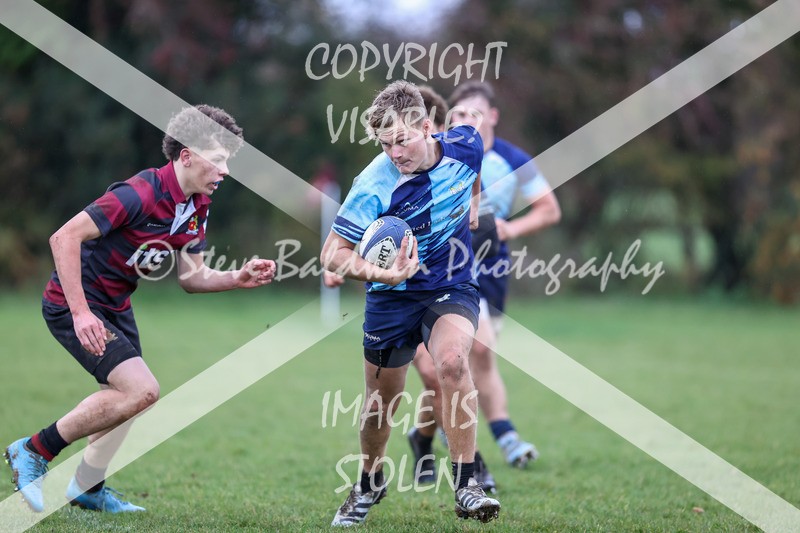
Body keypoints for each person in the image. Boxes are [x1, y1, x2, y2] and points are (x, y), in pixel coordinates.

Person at [3, 105, 277, 513]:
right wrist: (80, 313)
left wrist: (237, 277)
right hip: (73, 302)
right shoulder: (140, 193)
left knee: (132, 398)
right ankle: (33, 450)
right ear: (186, 155)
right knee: (141, 389)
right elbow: (64, 238)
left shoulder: (197, 204)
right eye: (218, 160)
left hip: (116, 306)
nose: (225, 171)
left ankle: (88, 487)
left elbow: (192, 277)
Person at [321, 80, 500, 526]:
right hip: (390, 299)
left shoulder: (464, 144)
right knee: (381, 404)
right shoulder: (374, 182)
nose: (395, 153)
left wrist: (473, 204)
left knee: (454, 363)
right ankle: (369, 480)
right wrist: (384, 273)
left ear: (426, 127)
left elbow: (473, 169)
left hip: (450, 284)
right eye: (385, 144)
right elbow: (332, 254)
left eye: (401, 140)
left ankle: (466, 484)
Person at [408, 81, 561, 487]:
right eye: (457, 115)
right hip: (436, 275)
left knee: (472, 360)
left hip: (488, 270)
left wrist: (509, 228)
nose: (464, 122)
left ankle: (431, 436)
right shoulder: (437, 152)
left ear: (491, 116)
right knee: (442, 369)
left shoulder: (514, 160)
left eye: (472, 114)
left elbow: (549, 210)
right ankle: (483, 450)